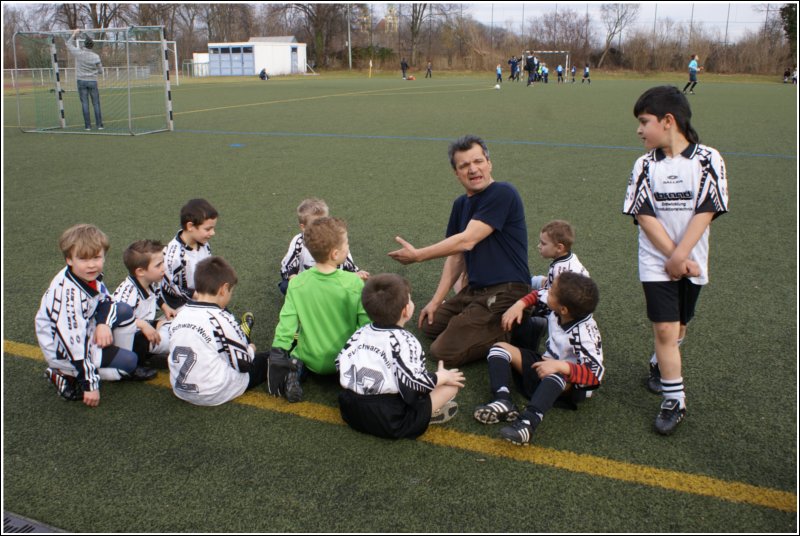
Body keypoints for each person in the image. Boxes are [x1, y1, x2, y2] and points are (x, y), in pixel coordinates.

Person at [623, 85, 728, 435]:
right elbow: (644, 215)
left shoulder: (709, 159)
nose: (639, 130)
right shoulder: (643, 165)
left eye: (644, 121)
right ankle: (674, 400)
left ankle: (658, 362)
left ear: (668, 121)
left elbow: (707, 208)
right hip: (655, 261)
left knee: (680, 327)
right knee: (664, 328)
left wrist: (682, 257)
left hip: (692, 260)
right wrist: (672, 257)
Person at [388, 135, 531, 367]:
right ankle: (481, 320)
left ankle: (517, 329)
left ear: (489, 163)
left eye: (478, 161)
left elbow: (467, 241)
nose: (473, 169)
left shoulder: (503, 192)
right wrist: (436, 301)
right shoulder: (460, 204)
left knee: (442, 351)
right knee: (429, 325)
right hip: (475, 291)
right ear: (456, 173)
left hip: (508, 291)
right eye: (464, 165)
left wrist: (418, 256)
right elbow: (456, 257)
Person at [474, 272, 603, 445]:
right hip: (545, 363)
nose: (546, 291)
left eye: (551, 292)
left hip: (568, 386)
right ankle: (502, 401)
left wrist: (561, 366)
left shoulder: (584, 334)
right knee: (499, 349)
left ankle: (528, 423)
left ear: (563, 309)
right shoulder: (563, 308)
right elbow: (537, 295)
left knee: (555, 375)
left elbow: (594, 374)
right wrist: (519, 305)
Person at [35, 224, 157, 407]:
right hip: (63, 350)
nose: (92, 264)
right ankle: (62, 373)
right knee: (130, 362)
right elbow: (74, 346)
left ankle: (114, 361)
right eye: (83, 259)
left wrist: (103, 325)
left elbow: (107, 301)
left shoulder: (87, 275)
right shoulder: (68, 297)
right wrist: (90, 385)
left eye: (96, 257)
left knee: (122, 309)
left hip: (85, 330)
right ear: (69, 259)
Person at [336, 273, 466, 439]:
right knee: (450, 387)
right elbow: (414, 383)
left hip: (349, 410)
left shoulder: (360, 332)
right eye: (410, 300)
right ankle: (428, 414)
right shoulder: (406, 341)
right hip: (390, 420)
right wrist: (441, 377)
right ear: (406, 310)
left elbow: (339, 362)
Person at [269, 217, 371, 402]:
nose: (348, 246)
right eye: (346, 243)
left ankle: (294, 371)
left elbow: (287, 325)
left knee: (296, 352)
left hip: (310, 358)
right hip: (344, 359)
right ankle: (351, 384)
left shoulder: (297, 283)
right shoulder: (354, 283)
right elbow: (366, 325)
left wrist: (278, 351)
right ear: (335, 254)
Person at [168, 256, 267, 406]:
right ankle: (244, 338)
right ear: (223, 289)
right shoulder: (221, 318)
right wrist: (251, 350)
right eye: (231, 291)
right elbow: (244, 364)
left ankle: (242, 335)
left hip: (180, 390)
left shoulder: (180, 314)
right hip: (214, 393)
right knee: (267, 358)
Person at [504, 220, 590, 351]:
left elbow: (546, 293)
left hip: (569, 313)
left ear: (559, 248)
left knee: (531, 310)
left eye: (543, 243)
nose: (539, 246)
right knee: (540, 285)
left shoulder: (560, 270)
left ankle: (542, 322)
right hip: (582, 306)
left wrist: (522, 303)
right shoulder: (570, 259)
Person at [278, 198, 369, 295]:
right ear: (303, 227)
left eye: (324, 222)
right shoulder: (299, 241)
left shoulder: (335, 238)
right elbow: (288, 266)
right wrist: (295, 280)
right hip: (307, 284)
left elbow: (347, 261)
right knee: (285, 286)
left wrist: (356, 273)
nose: (321, 228)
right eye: (315, 225)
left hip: (332, 282)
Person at [112, 240, 177, 365]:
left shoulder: (150, 281)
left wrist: (165, 307)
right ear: (140, 271)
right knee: (172, 338)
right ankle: (136, 364)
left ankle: (150, 353)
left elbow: (157, 295)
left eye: (163, 262)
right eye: (158, 265)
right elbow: (116, 318)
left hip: (143, 326)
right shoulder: (129, 293)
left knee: (176, 323)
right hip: (126, 339)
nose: (163, 268)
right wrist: (143, 325)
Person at [162, 198, 217, 310]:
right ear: (190, 226)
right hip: (179, 302)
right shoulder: (174, 255)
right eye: (208, 229)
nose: (213, 233)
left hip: (199, 294)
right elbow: (170, 287)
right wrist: (200, 297)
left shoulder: (203, 243)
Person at [64, 29, 103, 131]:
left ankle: (88, 126)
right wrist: (94, 70)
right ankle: (99, 125)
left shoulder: (78, 53)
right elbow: (101, 71)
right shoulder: (96, 56)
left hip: (81, 81)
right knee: (96, 103)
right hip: (93, 81)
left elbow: (68, 44)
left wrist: (74, 34)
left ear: (84, 45)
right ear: (92, 46)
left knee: (85, 103)